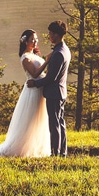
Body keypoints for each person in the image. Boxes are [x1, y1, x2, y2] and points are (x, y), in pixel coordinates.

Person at [0, 30, 51, 157]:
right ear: (25, 42)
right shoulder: (25, 57)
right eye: (32, 39)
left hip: (40, 89)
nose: (35, 41)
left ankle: (37, 146)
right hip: (33, 91)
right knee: (31, 119)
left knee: (40, 119)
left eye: (36, 39)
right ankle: (23, 147)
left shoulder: (35, 55)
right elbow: (35, 73)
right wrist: (47, 61)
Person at [27, 20, 70, 157]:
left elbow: (52, 77)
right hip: (60, 92)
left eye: (51, 33)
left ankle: (55, 153)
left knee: (54, 124)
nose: (49, 35)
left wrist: (36, 84)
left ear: (56, 35)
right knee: (60, 123)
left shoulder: (58, 53)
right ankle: (62, 151)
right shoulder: (64, 49)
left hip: (54, 93)